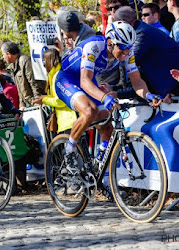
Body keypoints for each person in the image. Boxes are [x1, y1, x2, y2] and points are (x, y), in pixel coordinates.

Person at [54, 17, 162, 183]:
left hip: (89, 81)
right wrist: (104, 97)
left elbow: (137, 81)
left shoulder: (127, 51)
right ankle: (69, 151)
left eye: (129, 48)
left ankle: (102, 175)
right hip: (67, 79)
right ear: (110, 42)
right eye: (123, 48)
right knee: (90, 111)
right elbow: (84, 80)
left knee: (107, 125)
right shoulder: (94, 46)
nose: (127, 52)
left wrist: (148, 95)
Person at [113, 6, 179, 100]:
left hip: (167, 83)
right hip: (159, 78)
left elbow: (129, 62)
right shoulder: (139, 30)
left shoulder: (142, 33)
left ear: (123, 22)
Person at [33, 48, 77, 134]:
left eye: (44, 62)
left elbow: (60, 100)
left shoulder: (57, 76)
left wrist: (43, 100)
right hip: (68, 121)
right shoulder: (56, 74)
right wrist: (45, 98)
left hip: (69, 121)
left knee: (71, 147)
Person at [1, 42, 45, 110]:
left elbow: (34, 82)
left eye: (3, 54)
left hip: (36, 103)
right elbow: (20, 88)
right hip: (28, 105)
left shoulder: (25, 61)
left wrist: (38, 102)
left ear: (8, 54)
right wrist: (22, 105)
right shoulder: (13, 66)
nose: (3, 57)